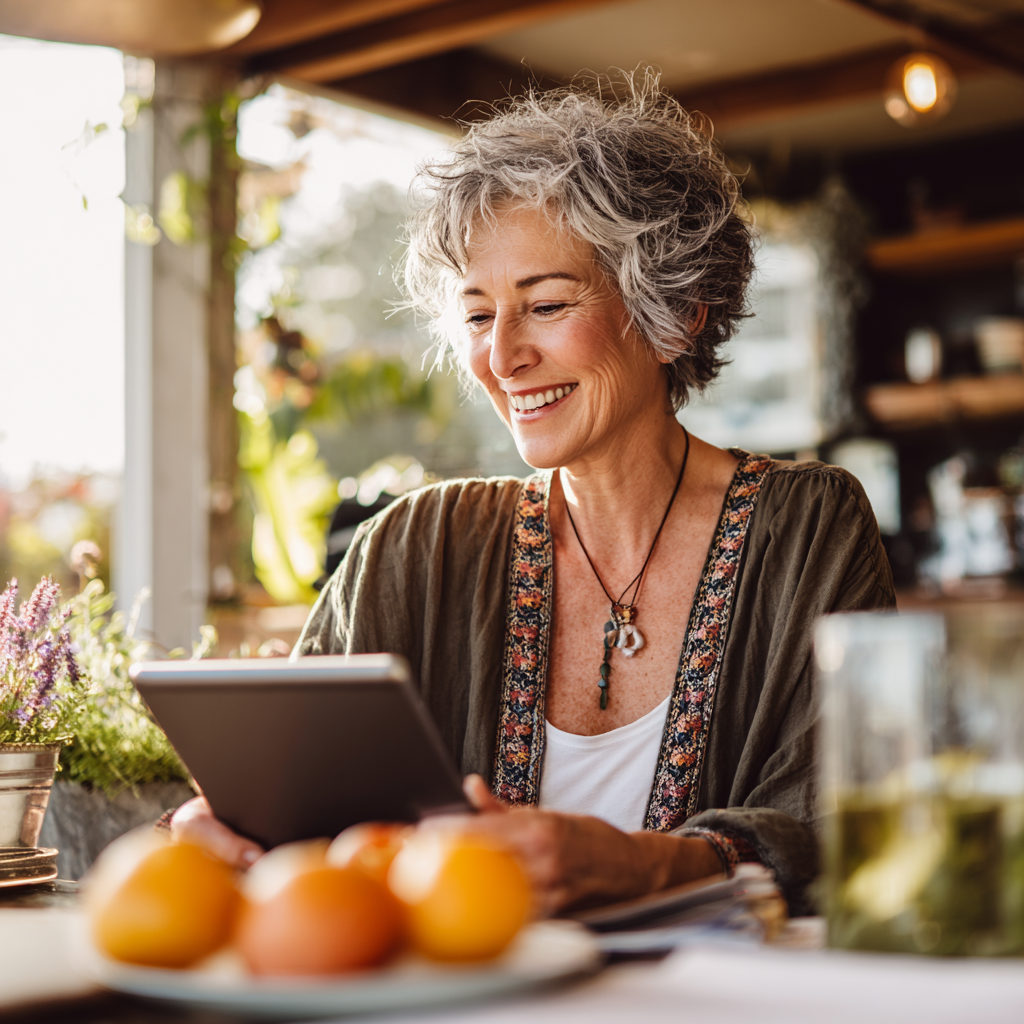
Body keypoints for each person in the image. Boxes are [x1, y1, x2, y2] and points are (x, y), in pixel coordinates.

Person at [172, 77, 894, 915]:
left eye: (546, 305)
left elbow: (850, 821)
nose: (503, 357)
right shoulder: (412, 547)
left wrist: (647, 865)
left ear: (677, 312)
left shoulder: (807, 526)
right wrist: (218, 833)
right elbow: (294, 819)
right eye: (478, 317)